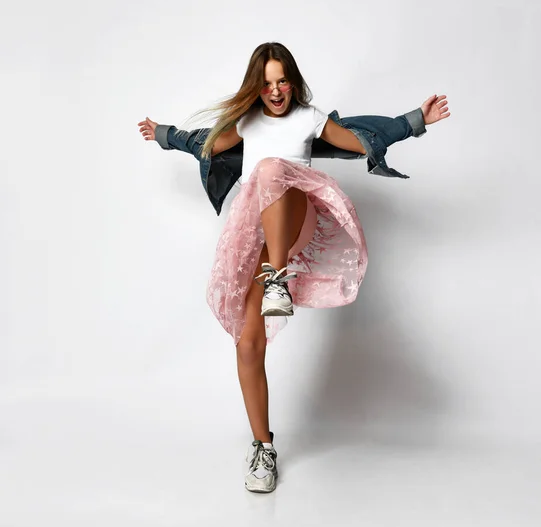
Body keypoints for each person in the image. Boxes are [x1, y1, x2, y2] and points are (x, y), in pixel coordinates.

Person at [138, 42, 450, 494]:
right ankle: (263, 447)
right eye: (266, 83)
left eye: (282, 80)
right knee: (248, 343)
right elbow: (201, 144)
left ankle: (279, 280)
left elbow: (361, 139)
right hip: (257, 235)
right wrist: (165, 133)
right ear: (256, 87)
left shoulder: (309, 118)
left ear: (292, 81)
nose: (276, 90)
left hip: (298, 218)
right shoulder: (245, 122)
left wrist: (415, 122)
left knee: (268, 171)